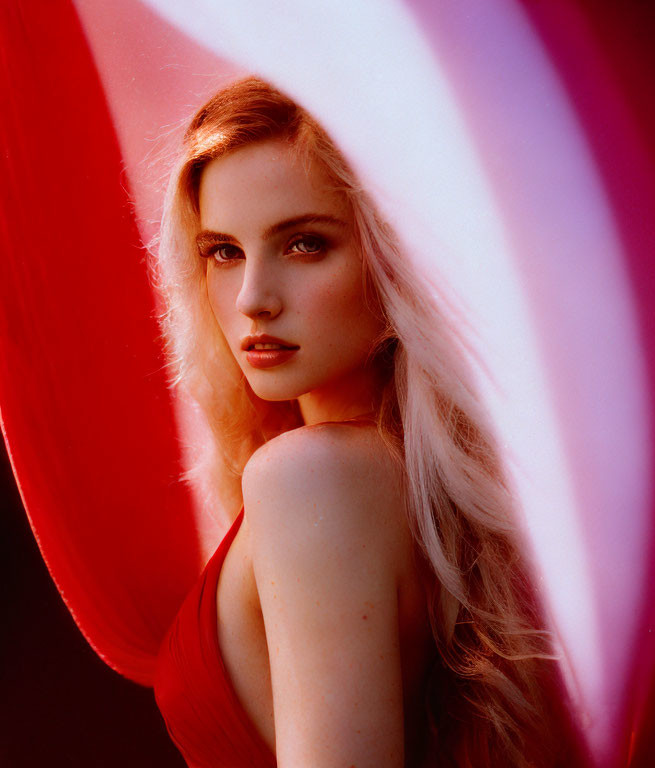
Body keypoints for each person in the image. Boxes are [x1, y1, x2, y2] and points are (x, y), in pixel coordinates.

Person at [150, 76, 582, 768]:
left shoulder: (311, 479)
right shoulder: (455, 501)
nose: (253, 299)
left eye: (305, 245)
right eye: (223, 251)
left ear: (399, 256)